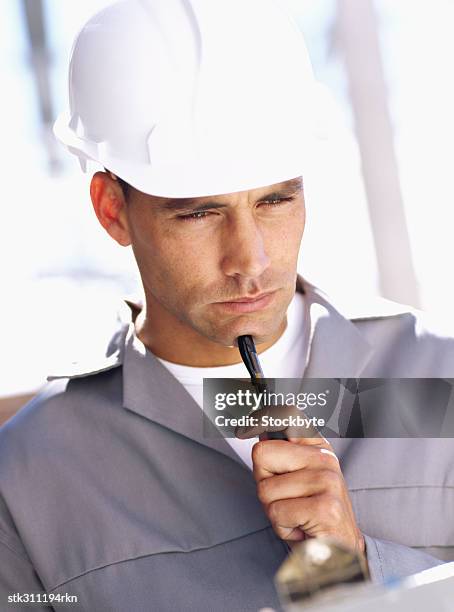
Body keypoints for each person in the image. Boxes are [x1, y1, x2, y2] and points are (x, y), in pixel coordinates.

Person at [1, 1, 454, 611]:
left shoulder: (435, 379)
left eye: (275, 200)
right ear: (113, 210)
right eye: (199, 212)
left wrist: (367, 568)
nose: (251, 260)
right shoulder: (32, 474)